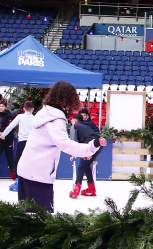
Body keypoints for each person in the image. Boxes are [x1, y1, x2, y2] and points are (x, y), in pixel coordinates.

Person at [17, 81, 107, 212]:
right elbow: (65, 144)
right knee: (40, 218)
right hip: (38, 175)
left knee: (25, 217)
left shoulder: (44, 112)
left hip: (26, 170)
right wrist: (92, 146)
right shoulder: (56, 118)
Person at [0, 100, 36, 193]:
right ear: (32, 109)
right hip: (32, 143)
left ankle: (18, 181)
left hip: (22, 142)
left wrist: (3, 134)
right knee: (30, 162)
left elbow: (10, 126)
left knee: (19, 161)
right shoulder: (35, 118)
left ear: (23, 108)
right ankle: (30, 182)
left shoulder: (20, 116)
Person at [69, 108, 103, 198]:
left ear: (75, 120)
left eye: (72, 120)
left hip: (89, 145)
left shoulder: (75, 126)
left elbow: (73, 141)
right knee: (86, 165)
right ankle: (91, 188)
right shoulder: (87, 125)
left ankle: (76, 190)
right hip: (98, 144)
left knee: (81, 167)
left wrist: (74, 153)